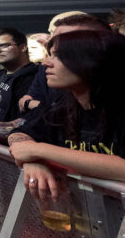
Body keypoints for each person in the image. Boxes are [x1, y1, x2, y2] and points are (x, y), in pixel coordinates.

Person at [9, 30, 125, 195]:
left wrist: (39, 151)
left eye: (58, 56)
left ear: (92, 61)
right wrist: (32, 161)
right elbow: (19, 134)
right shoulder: (64, 108)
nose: (45, 63)